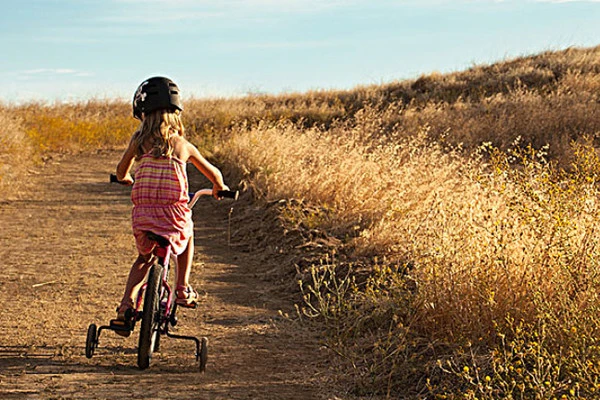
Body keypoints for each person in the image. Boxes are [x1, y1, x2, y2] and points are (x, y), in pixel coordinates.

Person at [113, 76, 228, 330]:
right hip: (174, 214)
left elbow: (121, 171)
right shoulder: (182, 145)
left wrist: (125, 178)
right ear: (176, 114)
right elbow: (215, 174)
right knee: (187, 236)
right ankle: (182, 288)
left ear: (142, 112)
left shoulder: (138, 141)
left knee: (143, 258)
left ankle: (125, 305)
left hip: (143, 215)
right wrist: (220, 188)